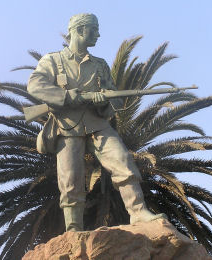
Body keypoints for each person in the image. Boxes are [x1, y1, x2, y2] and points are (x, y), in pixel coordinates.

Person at [27, 13, 165, 232]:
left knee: (122, 161)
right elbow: (35, 86)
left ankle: (138, 213)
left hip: (97, 124)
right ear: (80, 30)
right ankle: (73, 228)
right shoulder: (53, 60)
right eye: (94, 29)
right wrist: (68, 97)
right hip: (67, 127)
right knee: (70, 180)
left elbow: (114, 99)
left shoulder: (100, 65)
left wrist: (104, 100)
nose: (98, 35)